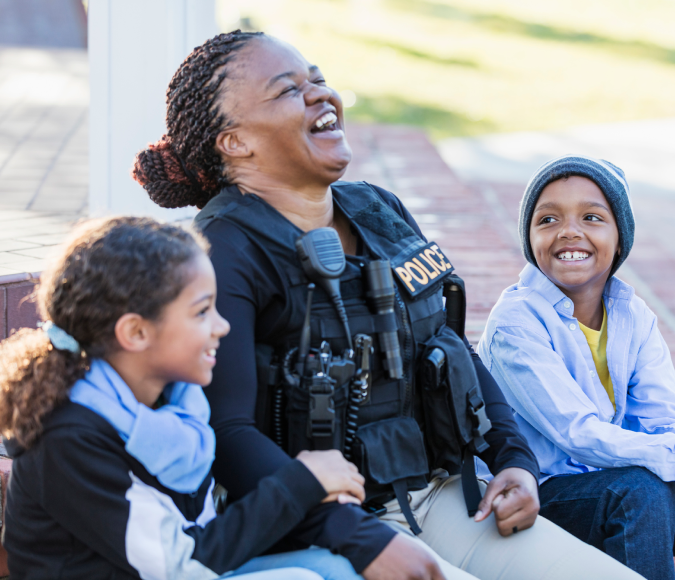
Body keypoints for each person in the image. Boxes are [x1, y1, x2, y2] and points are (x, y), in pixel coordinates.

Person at [131, 31, 643, 580]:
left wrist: (514, 461)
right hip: (319, 528)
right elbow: (227, 433)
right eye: (288, 90)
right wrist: (360, 539)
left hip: (444, 498)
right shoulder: (222, 251)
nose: (320, 96)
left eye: (319, 80)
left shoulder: (378, 209)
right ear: (235, 142)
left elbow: (449, 347)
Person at [0, 216, 367, 580]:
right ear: (136, 332)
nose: (223, 326)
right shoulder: (68, 436)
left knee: (336, 569)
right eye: (202, 312)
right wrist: (301, 482)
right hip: (179, 568)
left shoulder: (174, 400)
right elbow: (182, 565)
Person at [477, 155, 675, 580]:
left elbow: (661, 422)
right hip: (538, 497)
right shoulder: (516, 324)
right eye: (547, 219)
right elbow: (578, 435)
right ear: (530, 239)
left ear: (620, 238)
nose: (569, 231)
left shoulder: (631, 315)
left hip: (618, 494)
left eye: (591, 217)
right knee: (640, 491)